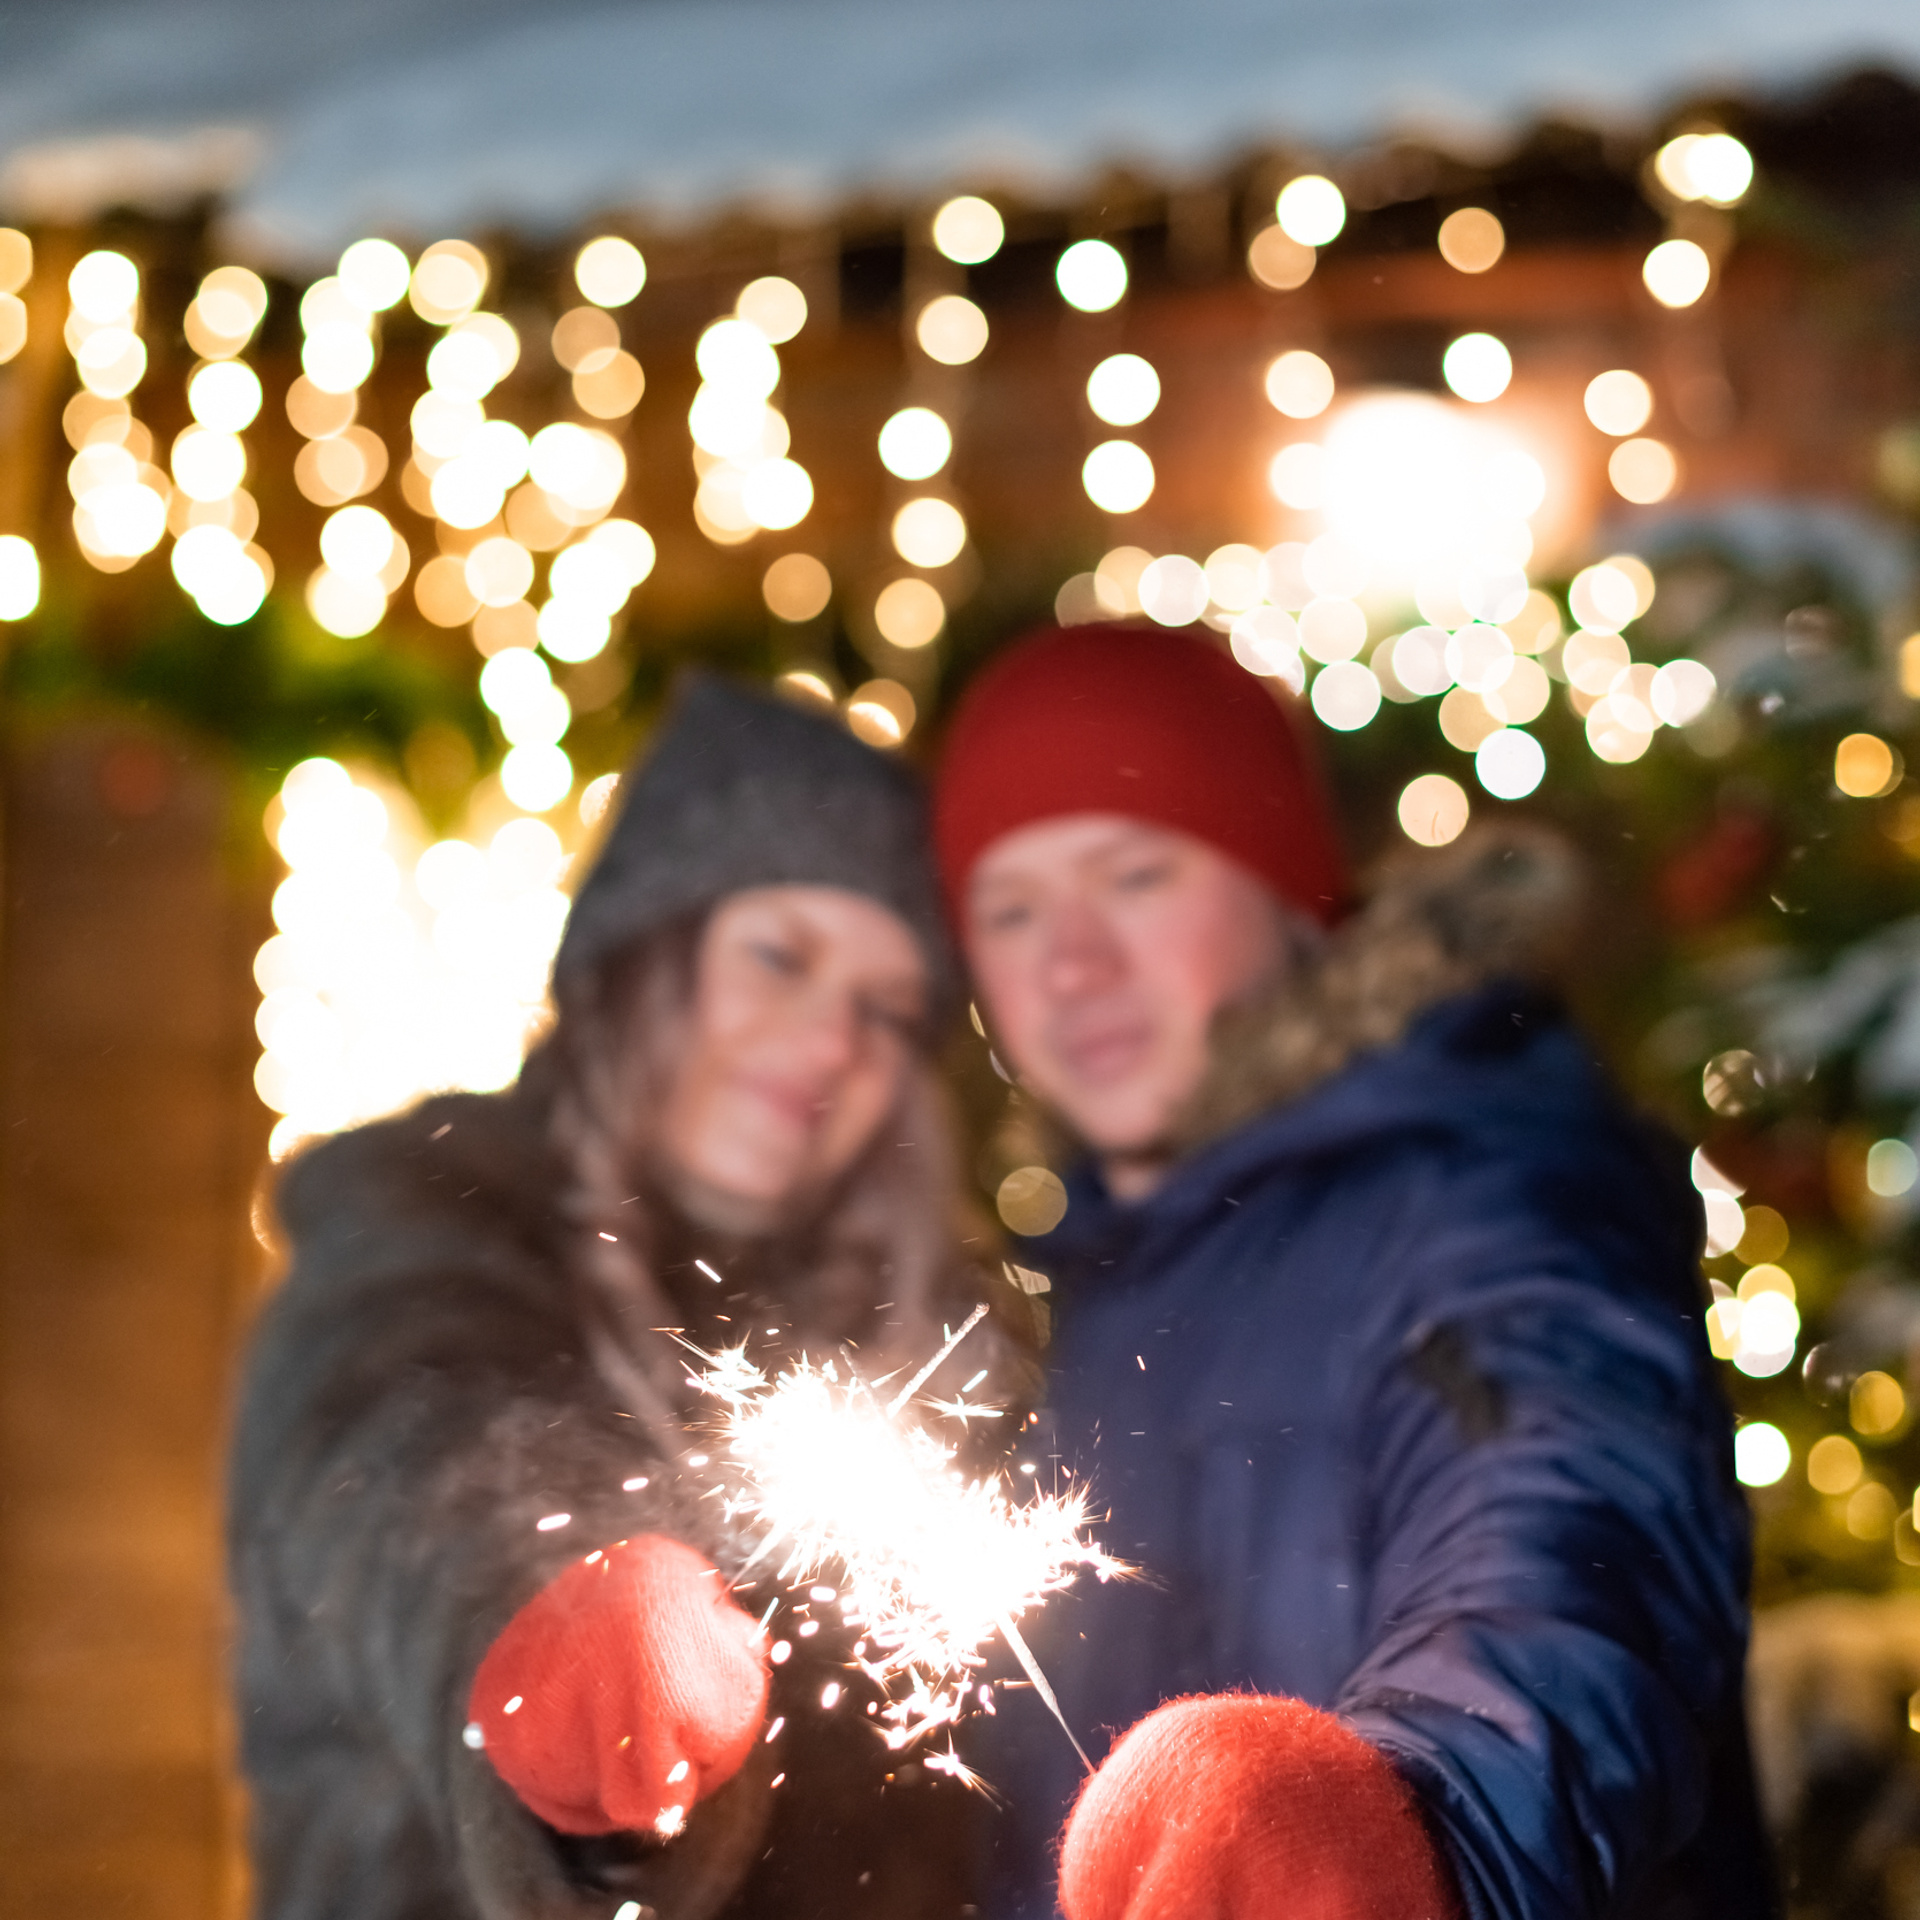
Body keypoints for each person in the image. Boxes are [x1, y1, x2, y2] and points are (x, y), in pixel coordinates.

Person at [932, 624, 1776, 1920]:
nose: (1072, 962)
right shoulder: (1092, 1277)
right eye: (1012, 908)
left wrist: (1413, 1811)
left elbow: (1566, 1529)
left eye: (1136, 875)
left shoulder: (1480, 1184)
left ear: (1289, 891)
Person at [230, 676, 1024, 1920]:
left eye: (885, 1010)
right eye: (780, 957)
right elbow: (411, 1462)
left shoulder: (922, 1344)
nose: (830, 1043)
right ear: (650, 952)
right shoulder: (426, 1228)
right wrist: (559, 1631)